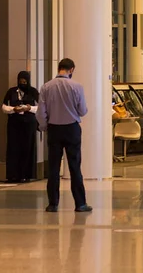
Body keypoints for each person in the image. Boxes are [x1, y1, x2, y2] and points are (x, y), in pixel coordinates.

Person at [36, 58, 92, 213]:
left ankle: (52, 204)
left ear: (59, 68)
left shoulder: (46, 87)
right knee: (75, 167)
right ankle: (80, 204)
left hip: (54, 129)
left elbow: (41, 112)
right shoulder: (76, 87)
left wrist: (44, 126)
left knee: (53, 167)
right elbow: (82, 110)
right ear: (71, 70)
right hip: (72, 129)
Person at [2, 71, 39, 183]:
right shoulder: (11, 92)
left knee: (27, 147)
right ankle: (13, 174)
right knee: (13, 148)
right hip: (14, 123)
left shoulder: (33, 92)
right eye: (21, 81)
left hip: (29, 123)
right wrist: (13, 109)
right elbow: (4, 106)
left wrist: (29, 108)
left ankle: (26, 174)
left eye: (25, 81)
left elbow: (40, 107)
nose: (22, 83)